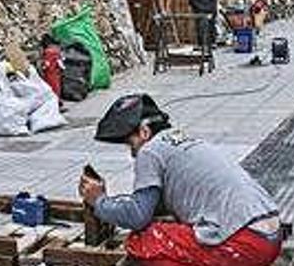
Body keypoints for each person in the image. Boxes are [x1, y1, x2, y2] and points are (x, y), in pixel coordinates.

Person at [79, 94, 282, 266]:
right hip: (269, 235)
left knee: (144, 241)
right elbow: (153, 206)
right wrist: (114, 205)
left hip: (245, 242)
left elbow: (137, 217)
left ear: (144, 132)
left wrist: (98, 200)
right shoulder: (182, 142)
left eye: (130, 144)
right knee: (168, 229)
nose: (132, 153)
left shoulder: (150, 150)